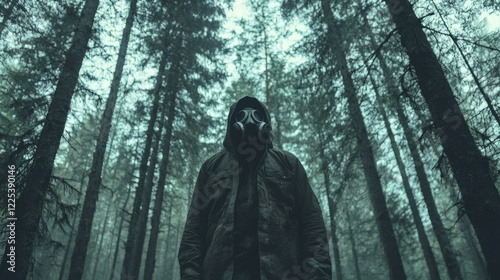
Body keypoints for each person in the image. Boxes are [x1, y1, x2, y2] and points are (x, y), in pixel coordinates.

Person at [178, 96, 331, 280]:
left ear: (266, 123)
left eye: (257, 115)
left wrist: (318, 274)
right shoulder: (211, 168)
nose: (250, 120)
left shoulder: (288, 164)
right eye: (241, 115)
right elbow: (193, 232)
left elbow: (312, 225)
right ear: (232, 125)